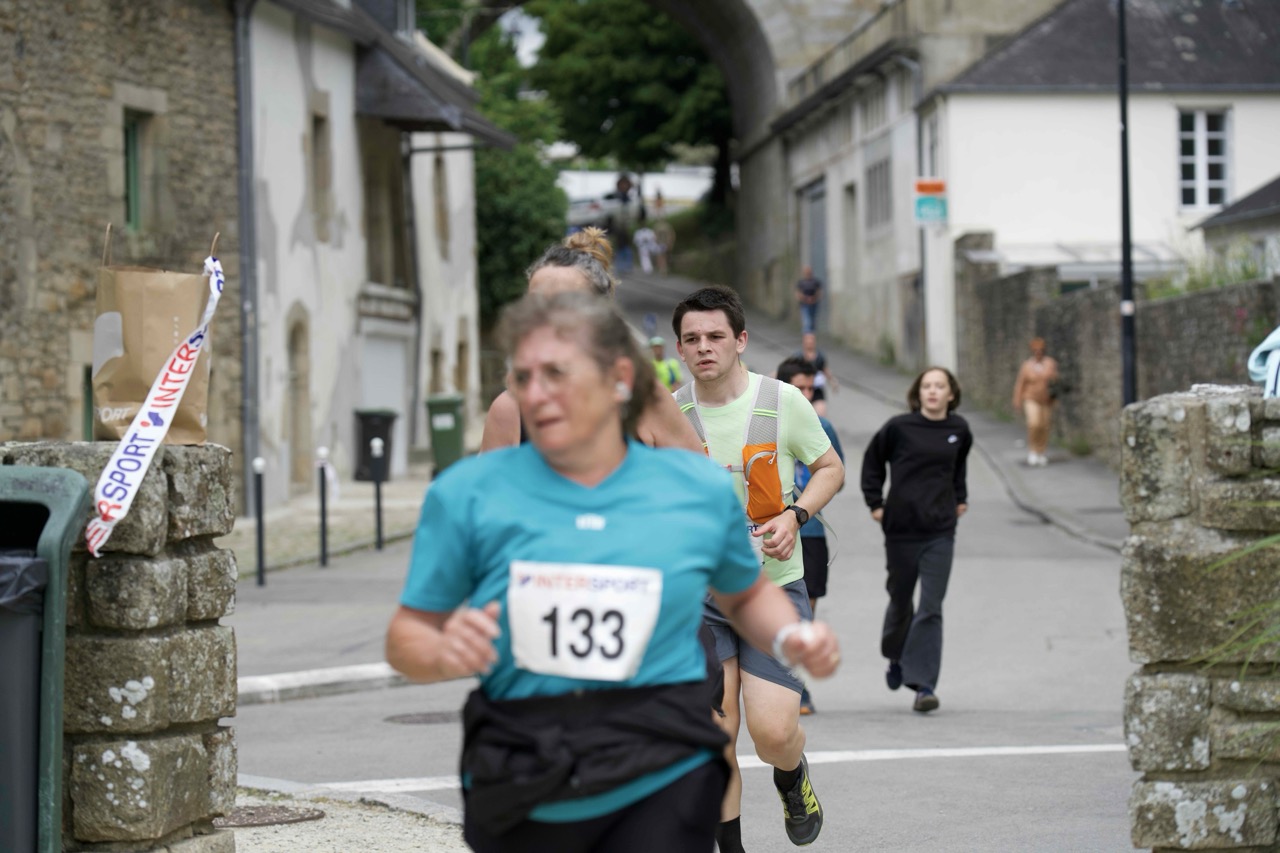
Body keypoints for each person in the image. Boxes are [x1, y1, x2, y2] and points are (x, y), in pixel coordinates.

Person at [386, 292, 842, 853]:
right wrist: (442, 653)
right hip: (522, 770)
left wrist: (791, 634)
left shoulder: (690, 488)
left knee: (755, 739)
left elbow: (745, 593)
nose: (543, 393)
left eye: (564, 373)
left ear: (616, 380)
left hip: (651, 770)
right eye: (526, 375)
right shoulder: (468, 497)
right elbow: (407, 635)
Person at [672, 285, 845, 850]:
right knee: (714, 739)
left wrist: (796, 515)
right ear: (680, 348)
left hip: (771, 593)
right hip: (700, 601)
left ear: (740, 340)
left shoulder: (782, 401)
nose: (704, 347)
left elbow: (830, 468)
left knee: (772, 734)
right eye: (692, 339)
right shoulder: (670, 415)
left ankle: (792, 778)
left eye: (715, 336)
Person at [479, 227, 702, 454]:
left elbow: (700, 473)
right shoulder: (510, 411)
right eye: (534, 305)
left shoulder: (646, 400)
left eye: (565, 305)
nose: (545, 319)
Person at [860, 367, 971, 715]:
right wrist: (875, 503)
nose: (933, 391)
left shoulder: (959, 430)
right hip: (901, 530)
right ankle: (895, 655)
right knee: (900, 601)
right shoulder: (899, 427)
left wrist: (960, 497)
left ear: (951, 394)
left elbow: (957, 468)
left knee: (931, 607)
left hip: (941, 531)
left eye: (940, 386)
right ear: (918, 393)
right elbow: (872, 462)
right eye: (927, 386)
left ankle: (923, 685)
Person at [775, 356, 844, 717]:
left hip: (811, 529)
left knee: (805, 608)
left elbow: (836, 476)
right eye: (797, 388)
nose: (804, 395)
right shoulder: (766, 421)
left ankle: (798, 685)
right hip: (769, 531)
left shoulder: (823, 426)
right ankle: (780, 682)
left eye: (809, 389)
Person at [1012, 337, 1059, 467]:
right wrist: (1017, 399)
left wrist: (1055, 395)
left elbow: (1055, 381)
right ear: (1032, 351)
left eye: (1041, 350)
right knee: (1034, 423)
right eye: (1036, 350)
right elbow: (1020, 383)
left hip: (1046, 399)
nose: (1038, 352)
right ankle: (1033, 450)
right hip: (1031, 398)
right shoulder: (1027, 365)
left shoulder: (1050, 363)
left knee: (1044, 425)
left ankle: (1041, 451)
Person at [793, 332, 836, 417]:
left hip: (816, 390)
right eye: (807, 341)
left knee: (820, 415)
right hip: (802, 390)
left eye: (811, 341)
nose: (810, 343)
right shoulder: (798, 357)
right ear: (803, 343)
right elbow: (788, 369)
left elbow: (825, 369)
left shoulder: (820, 357)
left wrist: (832, 381)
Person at [794, 265, 823, 335]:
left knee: (813, 322)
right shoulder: (801, 282)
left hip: (814, 304)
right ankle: (807, 337)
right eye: (806, 272)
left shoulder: (816, 282)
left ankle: (811, 337)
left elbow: (820, 292)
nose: (808, 274)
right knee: (807, 322)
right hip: (805, 305)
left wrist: (814, 298)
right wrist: (805, 298)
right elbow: (798, 294)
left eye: (809, 272)